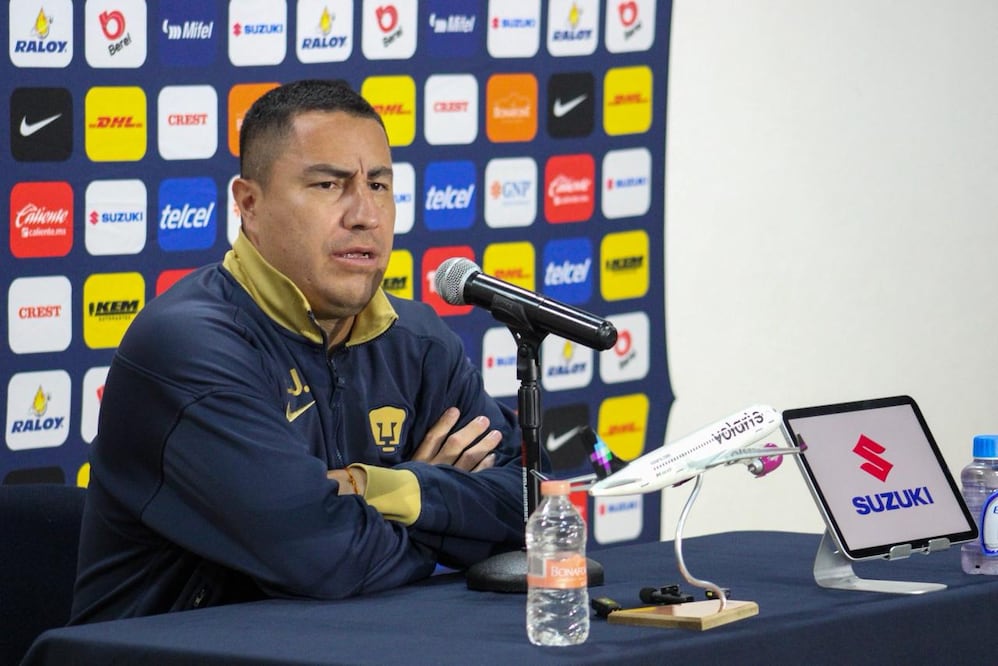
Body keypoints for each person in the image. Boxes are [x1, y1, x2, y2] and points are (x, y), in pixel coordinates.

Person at [70, 79, 527, 623]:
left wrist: (379, 487)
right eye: (330, 185)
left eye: (379, 184)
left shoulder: (418, 340)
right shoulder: (186, 346)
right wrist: (445, 517)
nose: (365, 214)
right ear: (249, 204)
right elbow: (326, 561)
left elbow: (530, 505)